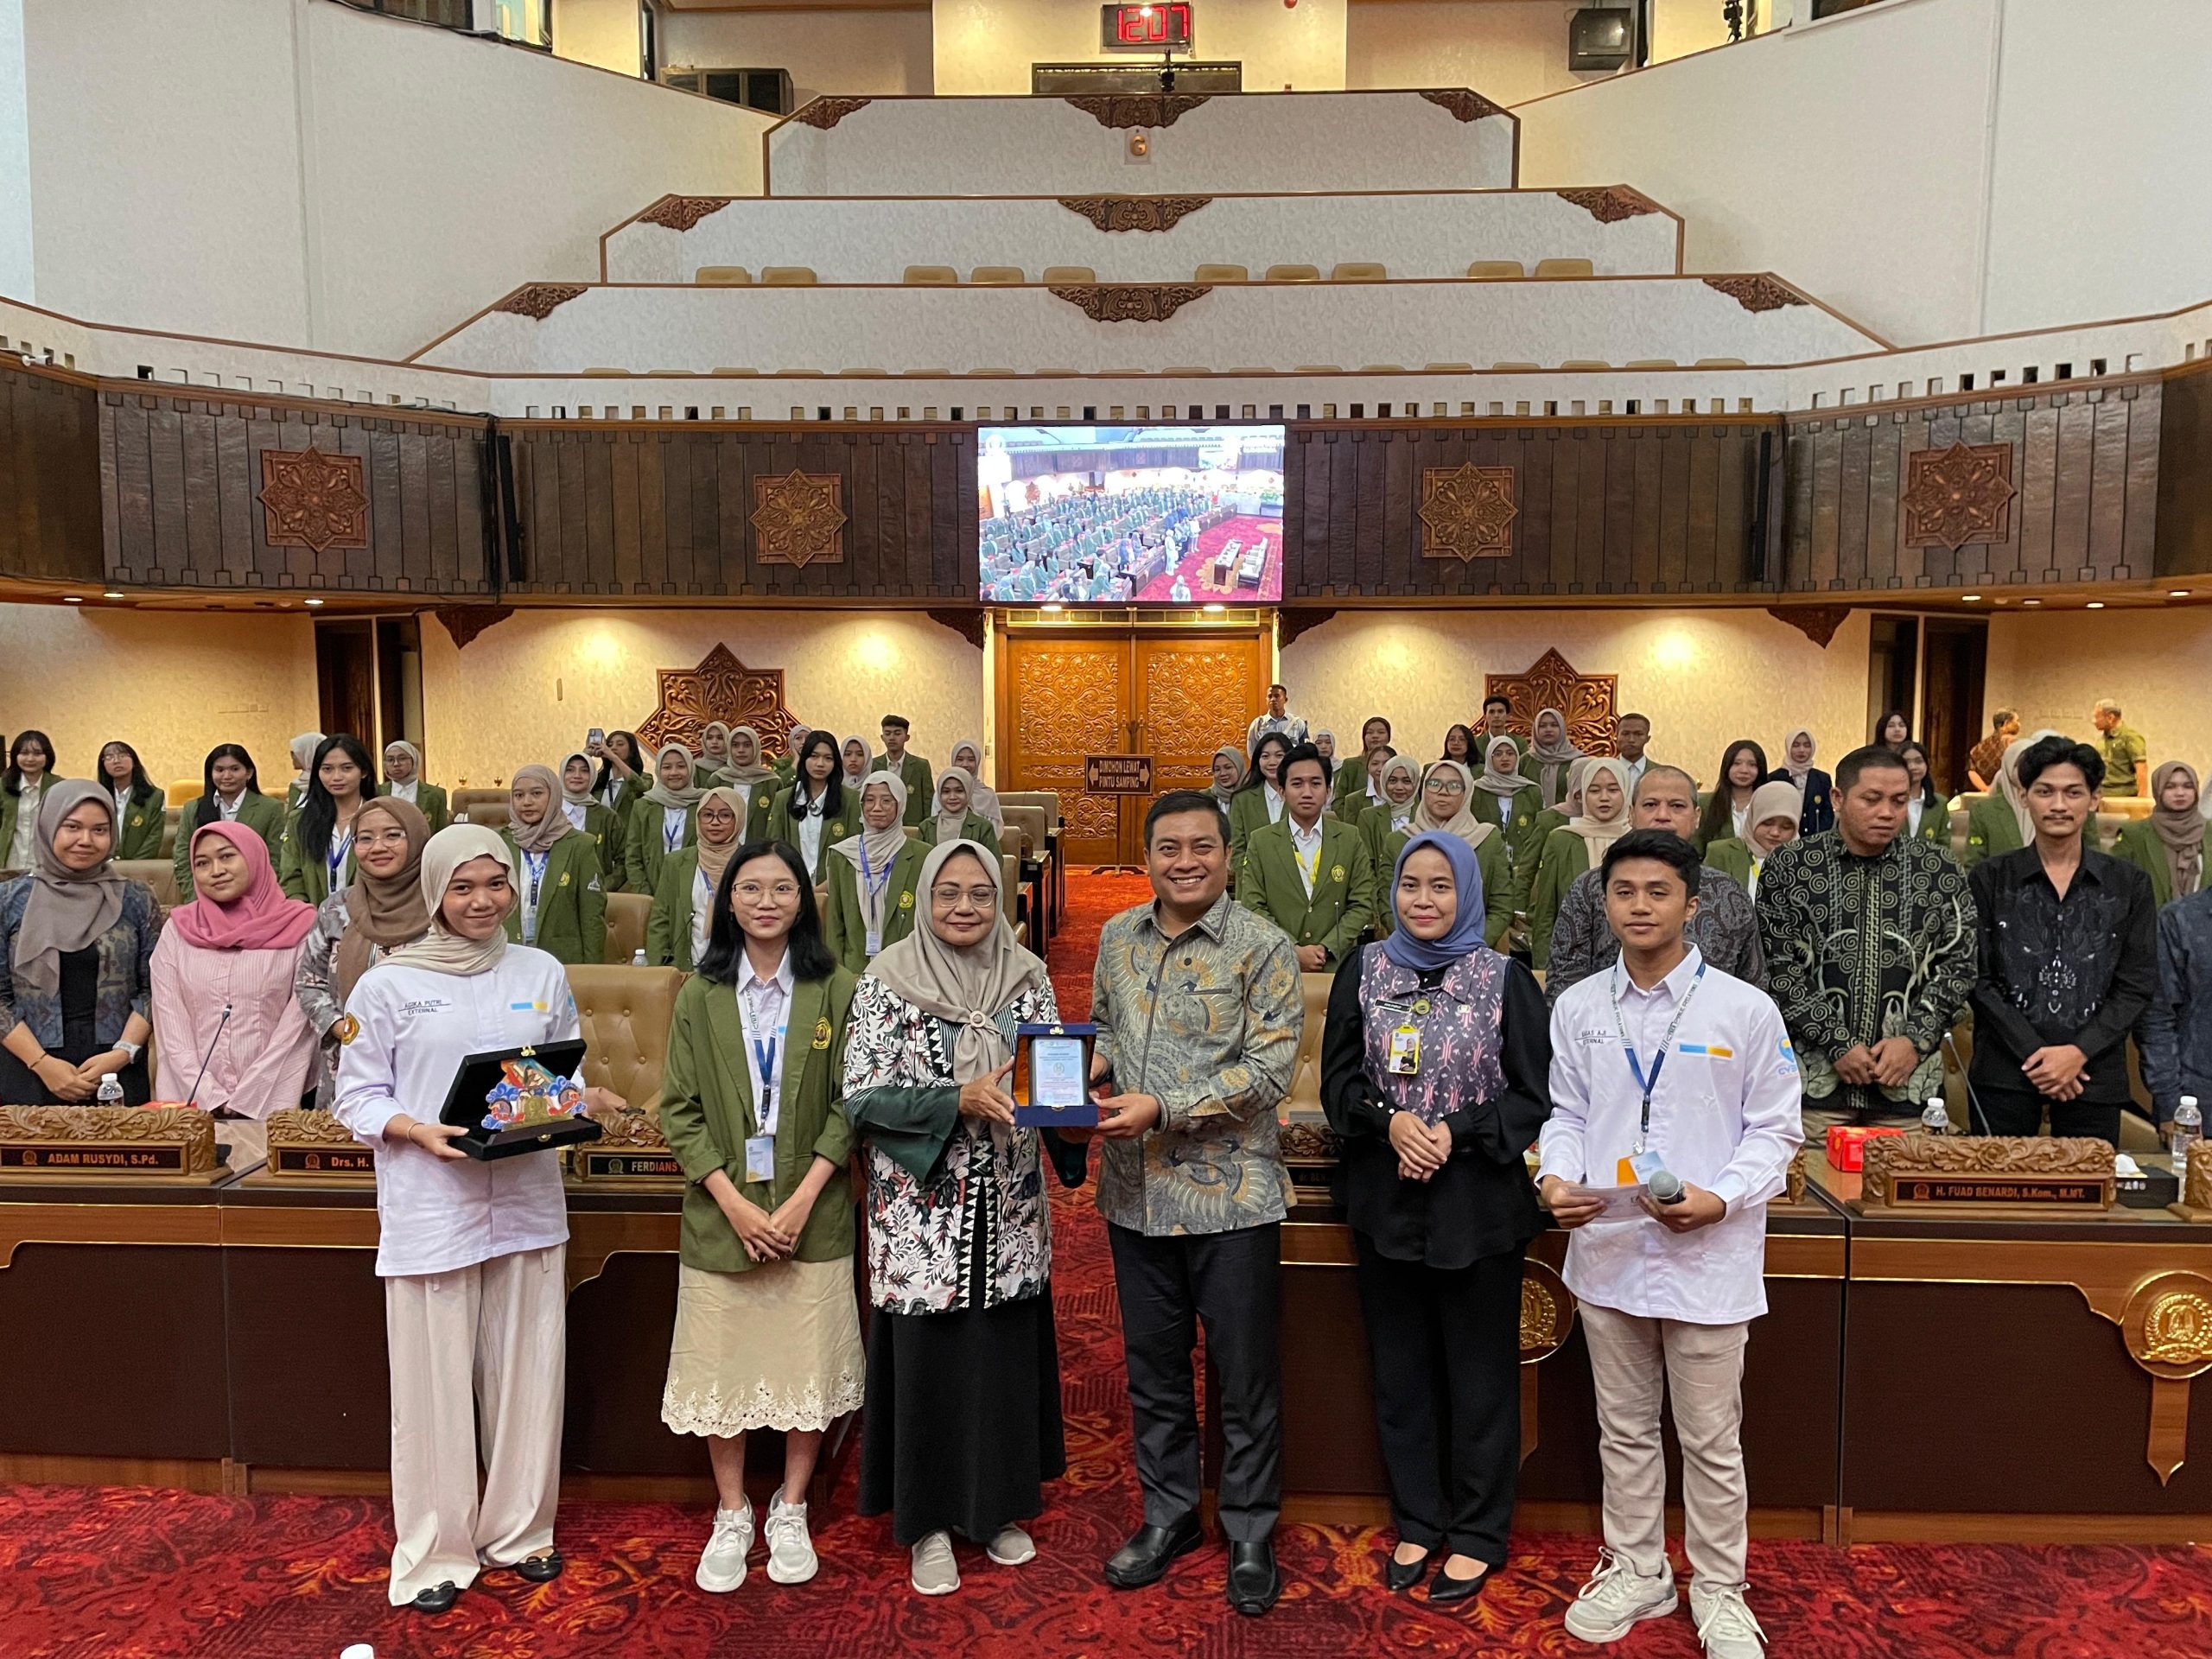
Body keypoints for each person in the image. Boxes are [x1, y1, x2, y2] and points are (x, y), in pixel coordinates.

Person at [332, 824, 624, 1613]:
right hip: (433, 1206)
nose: (481, 901)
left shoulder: (540, 969)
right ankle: (435, 1553)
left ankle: (521, 1534)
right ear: (434, 893)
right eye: (462, 887)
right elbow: (356, 1095)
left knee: (530, 1374)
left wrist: (580, 1099)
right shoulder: (387, 983)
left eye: (495, 884)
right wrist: (414, 1129)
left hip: (528, 1202)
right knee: (431, 1390)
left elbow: (556, 1074)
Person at [1541, 830, 1802, 1659]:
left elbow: (1777, 1131)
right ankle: (1640, 1567)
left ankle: (1721, 1589)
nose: (1640, 906)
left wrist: (1721, 1198)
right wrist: (1554, 1177)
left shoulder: (1743, 1008)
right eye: (1624, 892)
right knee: (1622, 1429)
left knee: (1710, 1439)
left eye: (1658, 892)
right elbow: (1568, 1116)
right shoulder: (1580, 1006)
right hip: (1610, 1248)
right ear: (1605, 902)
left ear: (1693, 905)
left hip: (1708, 1257)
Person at [1319, 831, 1550, 1604]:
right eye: (1412, 886)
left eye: (1441, 887)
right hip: (1389, 1198)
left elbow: (1532, 1095)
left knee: (1480, 1377)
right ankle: (1419, 1519)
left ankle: (1480, 1532)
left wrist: (1457, 1130)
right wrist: (1388, 1123)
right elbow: (1338, 1085)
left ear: (1468, 894)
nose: (1424, 901)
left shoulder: (1505, 979)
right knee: (1402, 1374)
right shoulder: (1365, 969)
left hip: (1478, 1204)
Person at [1088, 791, 1301, 1618]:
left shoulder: (1265, 946)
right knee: (1154, 1371)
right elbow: (1104, 1028)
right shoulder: (1116, 937)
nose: (1186, 861)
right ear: (1148, 858)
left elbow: (1269, 1071)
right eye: (1169, 848)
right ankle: (1170, 1515)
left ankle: (1249, 1528)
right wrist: (1093, 1072)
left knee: (1245, 1377)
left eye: (1202, 847)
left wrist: (1163, 1106)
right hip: (1135, 1195)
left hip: (1233, 1198)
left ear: (1228, 855)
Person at [843, 839, 1072, 1597]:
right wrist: (956, 1099)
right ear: (922, 899)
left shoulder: (1027, 977)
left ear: (999, 899)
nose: (966, 908)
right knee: (931, 1363)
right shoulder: (887, 982)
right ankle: (929, 1524)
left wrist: (1071, 1096)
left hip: (1007, 1204)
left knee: (1001, 1357)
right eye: (950, 894)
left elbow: (1049, 1073)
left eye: (980, 894)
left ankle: (998, 1509)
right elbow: (862, 1096)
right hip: (921, 1215)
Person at [659, 839, 863, 1593]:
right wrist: (737, 1203)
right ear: (728, 901)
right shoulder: (699, 993)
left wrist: (806, 1195)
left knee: (805, 1366)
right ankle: (732, 1508)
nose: (768, 901)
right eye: (751, 888)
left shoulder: (837, 985)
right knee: (725, 1367)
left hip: (817, 1205)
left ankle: (793, 1504)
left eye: (783, 888)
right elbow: (678, 1111)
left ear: (804, 900)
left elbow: (851, 1102)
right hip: (724, 1212)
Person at [1757, 747, 1976, 1133]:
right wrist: (1836, 1042)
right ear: (1838, 799)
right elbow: (1778, 966)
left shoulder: (1939, 869)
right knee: (1810, 1191)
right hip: (1813, 1087)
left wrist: (1914, 1039)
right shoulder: (1791, 866)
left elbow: (1959, 964)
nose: (1887, 812)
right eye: (1872, 799)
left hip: (1909, 1087)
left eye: (1898, 800)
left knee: (1902, 1190)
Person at [1967, 736, 2160, 1144]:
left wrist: (2076, 1053)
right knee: (1992, 1201)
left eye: (2073, 792)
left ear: (2094, 799)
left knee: (2087, 1203)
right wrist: (2039, 1056)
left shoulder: (2129, 884)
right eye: (2045, 791)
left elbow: (2135, 983)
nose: (2059, 805)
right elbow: (1978, 977)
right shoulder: (1989, 879)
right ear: (2023, 796)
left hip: (2093, 1074)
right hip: (2004, 1075)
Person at [0, 780, 161, 1106]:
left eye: (99, 830)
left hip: (117, 1069)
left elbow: (153, 988)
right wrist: (42, 1064)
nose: (85, 840)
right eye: (72, 827)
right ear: (48, 827)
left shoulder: (136, 898)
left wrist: (122, 1053)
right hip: (26, 1066)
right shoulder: (9, 900)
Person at [1545, 767, 1765, 1004]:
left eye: (1677, 806)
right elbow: (1564, 982)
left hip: (1710, 1034)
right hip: (1608, 1031)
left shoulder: (1728, 892)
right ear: (1631, 813)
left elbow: (1753, 983)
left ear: (1697, 816)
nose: (1663, 815)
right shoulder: (1591, 888)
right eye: (1650, 805)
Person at [149, 822, 318, 1116]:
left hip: (277, 1108)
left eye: (227, 856)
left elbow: (298, 1028)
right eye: (202, 863)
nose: (216, 870)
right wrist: (210, 1097)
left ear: (254, 856)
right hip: (195, 1109)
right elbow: (170, 1024)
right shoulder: (178, 931)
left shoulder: (301, 927)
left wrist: (249, 1099)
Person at [293, 798, 432, 1109]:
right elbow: (309, 981)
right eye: (365, 838)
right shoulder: (336, 908)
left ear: (418, 838)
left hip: (422, 1064)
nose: (378, 847)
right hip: (348, 1061)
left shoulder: (442, 909)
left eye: (393, 835)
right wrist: (342, 1028)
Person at [1237, 743, 1376, 971]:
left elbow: (1362, 903)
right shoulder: (1260, 842)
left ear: (1328, 790)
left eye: (1316, 783)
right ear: (1282, 792)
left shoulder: (1350, 838)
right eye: (1297, 784)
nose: (1307, 792)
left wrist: (1327, 947)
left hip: (1336, 966)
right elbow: (1254, 907)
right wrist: (1292, 948)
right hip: (1276, 966)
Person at [1529, 757, 1633, 969]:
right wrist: (1542, 968)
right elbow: (1545, 912)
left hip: (1632, 959)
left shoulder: (1637, 841)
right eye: (1594, 791)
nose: (1604, 798)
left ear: (1627, 792)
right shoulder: (1561, 840)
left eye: (1613, 790)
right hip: (1573, 960)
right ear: (1582, 795)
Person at [501, 766, 605, 967]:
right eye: (519, 795)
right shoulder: (500, 841)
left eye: (537, 793)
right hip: (508, 958)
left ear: (555, 796)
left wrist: (592, 971)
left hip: (562, 961)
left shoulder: (580, 845)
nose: (527, 802)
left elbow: (592, 918)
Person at [821, 775, 925, 973]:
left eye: (886, 800)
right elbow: (835, 921)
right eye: (869, 800)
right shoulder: (842, 855)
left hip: (906, 970)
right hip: (853, 971)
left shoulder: (922, 855)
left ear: (900, 805)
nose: (876, 808)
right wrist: (839, 975)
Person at [645, 785, 747, 973]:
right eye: (707, 815)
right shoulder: (676, 862)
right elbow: (661, 918)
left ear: (739, 819)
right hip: (688, 964)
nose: (714, 822)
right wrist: (656, 969)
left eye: (725, 815)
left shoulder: (750, 862)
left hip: (738, 966)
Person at [173, 744, 287, 902]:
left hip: (256, 899)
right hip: (204, 899)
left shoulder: (271, 808)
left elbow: (276, 858)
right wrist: (197, 898)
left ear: (249, 773)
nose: (227, 776)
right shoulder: (193, 808)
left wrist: (255, 898)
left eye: (234, 769)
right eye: (219, 770)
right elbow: (183, 857)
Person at [280, 735, 376, 906]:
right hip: (313, 923)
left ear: (364, 771)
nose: (336, 777)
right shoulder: (300, 821)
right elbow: (291, 878)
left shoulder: (382, 818)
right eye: (327, 769)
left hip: (369, 921)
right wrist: (306, 916)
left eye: (346, 768)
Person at [765, 731, 857, 885]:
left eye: (828, 758)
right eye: (814, 756)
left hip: (835, 889)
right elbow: (773, 848)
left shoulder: (851, 799)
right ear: (804, 758)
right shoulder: (783, 799)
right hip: (791, 888)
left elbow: (855, 852)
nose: (820, 764)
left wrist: (822, 889)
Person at [1962, 728, 2058, 869]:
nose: (2026, 770)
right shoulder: (1984, 811)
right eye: (2019, 764)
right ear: (2007, 767)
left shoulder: (2056, 805)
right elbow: (1973, 863)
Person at [2113, 762, 2205, 905]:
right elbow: (2117, 883)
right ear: (2158, 790)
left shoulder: (2209, 831)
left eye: (2188, 786)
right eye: (2170, 787)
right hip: (2151, 922)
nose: (2180, 793)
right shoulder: (2135, 834)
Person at [1700, 782, 1802, 903]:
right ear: (1754, 817)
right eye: (1767, 823)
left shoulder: (1803, 862)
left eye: (1785, 827)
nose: (1775, 832)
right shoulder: (1722, 853)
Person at [626, 744, 702, 896]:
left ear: (690, 768)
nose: (674, 772)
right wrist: (644, 893)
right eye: (667, 767)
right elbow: (633, 855)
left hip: (693, 892)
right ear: (659, 771)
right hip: (652, 891)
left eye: (681, 766)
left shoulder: (703, 804)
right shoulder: (643, 805)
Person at [1469, 735, 1543, 874]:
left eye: (1510, 753)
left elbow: (1539, 831)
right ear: (1489, 759)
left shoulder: (1532, 790)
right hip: (1485, 864)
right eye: (1498, 754)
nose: (1504, 758)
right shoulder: (1476, 791)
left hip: (1524, 866)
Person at [558, 751, 627, 893]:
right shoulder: (549, 812)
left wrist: (604, 886)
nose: (577, 775)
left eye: (584, 771)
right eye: (570, 770)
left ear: (593, 776)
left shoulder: (607, 816)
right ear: (561, 774)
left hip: (594, 892)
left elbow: (624, 859)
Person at [1227, 731, 1293, 874]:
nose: (1272, 762)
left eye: (1279, 755)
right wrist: (1254, 873)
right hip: (1252, 881)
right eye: (1265, 756)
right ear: (1258, 760)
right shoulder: (1242, 799)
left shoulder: (1301, 796)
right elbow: (1236, 849)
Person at [1694, 741, 1769, 855]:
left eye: (1752, 764)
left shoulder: (1768, 805)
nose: (1744, 770)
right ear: (1727, 766)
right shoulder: (1706, 804)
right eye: (1736, 763)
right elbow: (1696, 848)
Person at [96, 741, 166, 861]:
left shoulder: (155, 796)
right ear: (103, 765)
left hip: (139, 867)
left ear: (134, 761)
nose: (116, 760)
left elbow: (154, 837)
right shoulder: (97, 797)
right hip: (103, 867)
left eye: (122, 755)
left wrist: (132, 867)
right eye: (109, 757)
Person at [1, 729, 59, 874]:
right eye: (24, 753)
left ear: (48, 756)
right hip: (9, 861)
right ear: (15, 756)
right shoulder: (3, 786)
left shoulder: (59, 786)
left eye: (37, 753)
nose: (30, 759)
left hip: (45, 863)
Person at [1766, 728, 1834, 837]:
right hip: (1783, 838)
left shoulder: (1822, 778)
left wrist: (1819, 837)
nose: (1801, 750)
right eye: (1796, 745)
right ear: (1788, 747)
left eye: (1807, 745)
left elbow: (1827, 813)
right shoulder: (1774, 778)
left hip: (1815, 839)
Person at [718, 726, 780, 840]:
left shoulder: (771, 782)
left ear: (756, 747)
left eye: (747, 745)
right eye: (735, 745)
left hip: (759, 851)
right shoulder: (718, 780)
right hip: (722, 851)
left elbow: (777, 823)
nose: (741, 750)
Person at [925, 770, 1002, 860]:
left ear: (968, 792)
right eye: (946, 792)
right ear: (939, 795)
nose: (952, 797)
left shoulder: (983, 827)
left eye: (959, 791)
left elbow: (995, 862)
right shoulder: (926, 827)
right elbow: (919, 864)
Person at [1519, 708, 1586, 811]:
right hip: (1531, 820)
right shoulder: (1525, 761)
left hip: (1569, 821)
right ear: (1536, 729)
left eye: (1554, 725)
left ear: (1562, 728)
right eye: (1542, 726)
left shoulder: (1578, 761)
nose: (1548, 729)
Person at [871, 715, 933, 827]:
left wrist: (925, 828)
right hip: (880, 827)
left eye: (897, 733)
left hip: (911, 828)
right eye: (887, 733)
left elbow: (928, 802)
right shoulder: (873, 765)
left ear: (907, 737)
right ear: (882, 737)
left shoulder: (921, 766)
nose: (892, 738)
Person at [382, 741, 450, 834]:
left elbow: (441, 832)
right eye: (390, 760)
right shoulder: (377, 791)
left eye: (402, 758)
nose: (396, 764)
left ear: (414, 760)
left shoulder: (436, 794)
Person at [947, 740, 1007, 839]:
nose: (965, 764)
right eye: (960, 759)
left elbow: (995, 831)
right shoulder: (942, 795)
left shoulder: (988, 795)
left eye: (971, 760)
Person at [1334, 717, 1394, 817]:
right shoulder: (1351, 765)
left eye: (1381, 732)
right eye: (1370, 733)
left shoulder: (1398, 765)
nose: (1375, 736)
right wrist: (1353, 823)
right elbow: (1338, 802)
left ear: (1389, 737)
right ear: (1364, 737)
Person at [2091, 698, 2149, 799]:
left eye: (2097, 718)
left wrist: (2141, 802)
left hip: (2124, 797)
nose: (2094, 722)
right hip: (2102, 796)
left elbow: (2141, 769)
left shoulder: (2131, 737)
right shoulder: (2100, 740)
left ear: (2110, 717)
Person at [1897, 741, 1948, 845]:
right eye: (1906, 762)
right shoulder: (1890, 801)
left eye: (1919, 761)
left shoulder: (1940, 803)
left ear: (1927, 764)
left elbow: (1944, 844)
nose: (1913, 767)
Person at [591, 729, 648, 820]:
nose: (613, 748)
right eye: (609, 745)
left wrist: (614, 758)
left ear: (631, 750)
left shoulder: (644, 778)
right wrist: (587, 754)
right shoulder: (598, 778)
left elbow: (642, 789)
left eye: (620, 744)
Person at [1966, 709, 2019, 793]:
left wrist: (1985, 788)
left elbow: (1972, 771)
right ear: (2006, 724)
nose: (2019, 724)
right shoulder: (2016, 746)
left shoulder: (1979, 747)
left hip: (1986, 796)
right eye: (2016, 721)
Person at [1245, 683, 1307, 756]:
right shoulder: (1257, 724)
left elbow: (1304, 751)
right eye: (1270, 696)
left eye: (1277, 696)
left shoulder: (1298, 723)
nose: (1273, 699)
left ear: (1285, 699)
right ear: (1266, 700)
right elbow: (1252, 752)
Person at [284, 731, 325, 811]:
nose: (292, 756)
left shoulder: (329, 783)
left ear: (309, 753)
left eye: (294, 752)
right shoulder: (296, 785)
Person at [1613, 714, 1655, 788]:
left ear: (1647, 739)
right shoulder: (1605, 771)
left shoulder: (1660, 773)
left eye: (1638, 734)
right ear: (1616, 736)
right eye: (1625, 734)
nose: (1631, 740)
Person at [1478, 695, 1523, 760]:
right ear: (1485, 717)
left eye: (1500, 711)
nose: (1496, 716)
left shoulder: (1519, 742)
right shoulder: (1477, 744)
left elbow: (1524, 767)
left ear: (1507, 715)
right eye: (1492, 712)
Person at [696, 721, 735, 786]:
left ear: (727, 740)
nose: (714, 742)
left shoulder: (735, 766)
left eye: (720, 738)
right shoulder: (695, 767)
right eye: (709, 738)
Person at [1208, 744, 1243, 809]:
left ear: (1239, 767)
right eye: (1217, 769)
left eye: (1228, 767)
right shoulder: (1206, 797)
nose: (1223, 773)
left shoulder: (1252, 796)